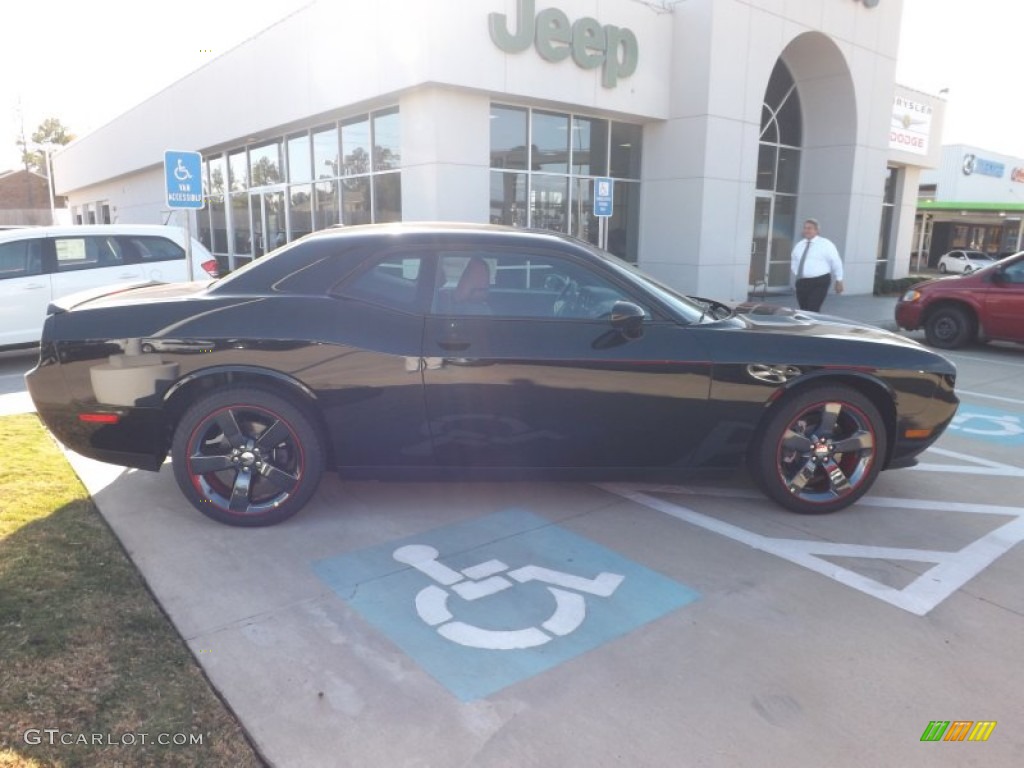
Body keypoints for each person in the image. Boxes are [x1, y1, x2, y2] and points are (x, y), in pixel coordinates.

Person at [790, 218, 844, 312]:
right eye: (805, 228)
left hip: (819, 281)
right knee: (803, 309)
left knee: (813, 308)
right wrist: (798, 273)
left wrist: (839, 280)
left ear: (817, 231)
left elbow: (835, 261)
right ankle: (806, 326)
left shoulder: (826, 244)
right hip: (802, 282)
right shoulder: (799, 245)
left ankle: (813, 325)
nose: (806, 230)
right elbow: (794, 261)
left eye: (809, 228)